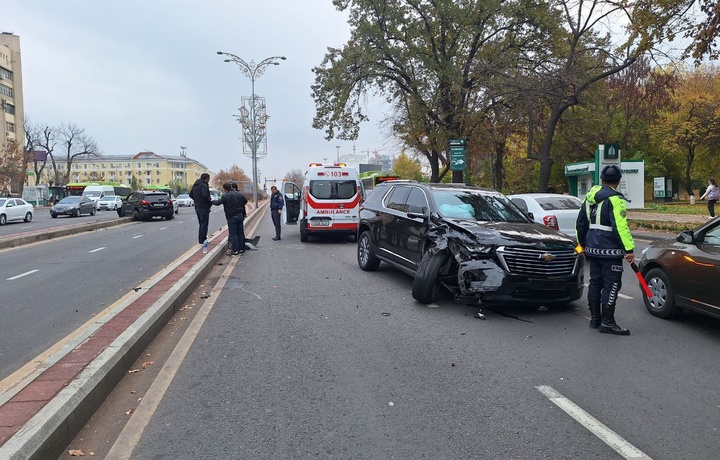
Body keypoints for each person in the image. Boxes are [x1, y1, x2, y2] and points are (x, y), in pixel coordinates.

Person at [575, 164, 634, 336]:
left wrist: (583, 244)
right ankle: (607, 322)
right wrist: (629, 249)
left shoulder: (589, 198)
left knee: (595, 283)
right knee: (612, 284)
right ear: (618, 181)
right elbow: (620, 227)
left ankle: (595, 320)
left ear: (601, 180)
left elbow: (580, 223)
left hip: (592, 248)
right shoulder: (615, 199)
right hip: (611, 250)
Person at [212, 182, 248, 255]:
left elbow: (218, 202)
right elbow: (245, 201)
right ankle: (242, 248)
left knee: (233, 234)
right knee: (240, 233)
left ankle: (235, 250)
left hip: (231, 216)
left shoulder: (225, 196)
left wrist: (210, 201)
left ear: (225, 189)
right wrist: (239, 206)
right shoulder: (239, 194)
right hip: (240, 215)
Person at [190, 173, 212, 245]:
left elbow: (190, 194)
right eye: (209, 179)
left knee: (201, 223)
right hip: (204, 207)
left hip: (197, 207)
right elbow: (205, 195)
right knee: (204, 224)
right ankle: (203, 239)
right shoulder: (204, 185)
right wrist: (209, 202)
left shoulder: (195, 185)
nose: (209, 180)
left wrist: (196, 200)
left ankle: (200, 239)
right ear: (207, 178)